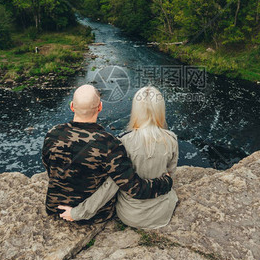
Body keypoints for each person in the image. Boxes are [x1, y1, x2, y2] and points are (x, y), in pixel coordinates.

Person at [42, 84, 173, 224]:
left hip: (55, 207)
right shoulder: (109, 143)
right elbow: (135, 189)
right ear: (100, 107)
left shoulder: (53, 133)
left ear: (72, 106)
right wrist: (166, 182)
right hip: (95, 216)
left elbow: (49, 167)